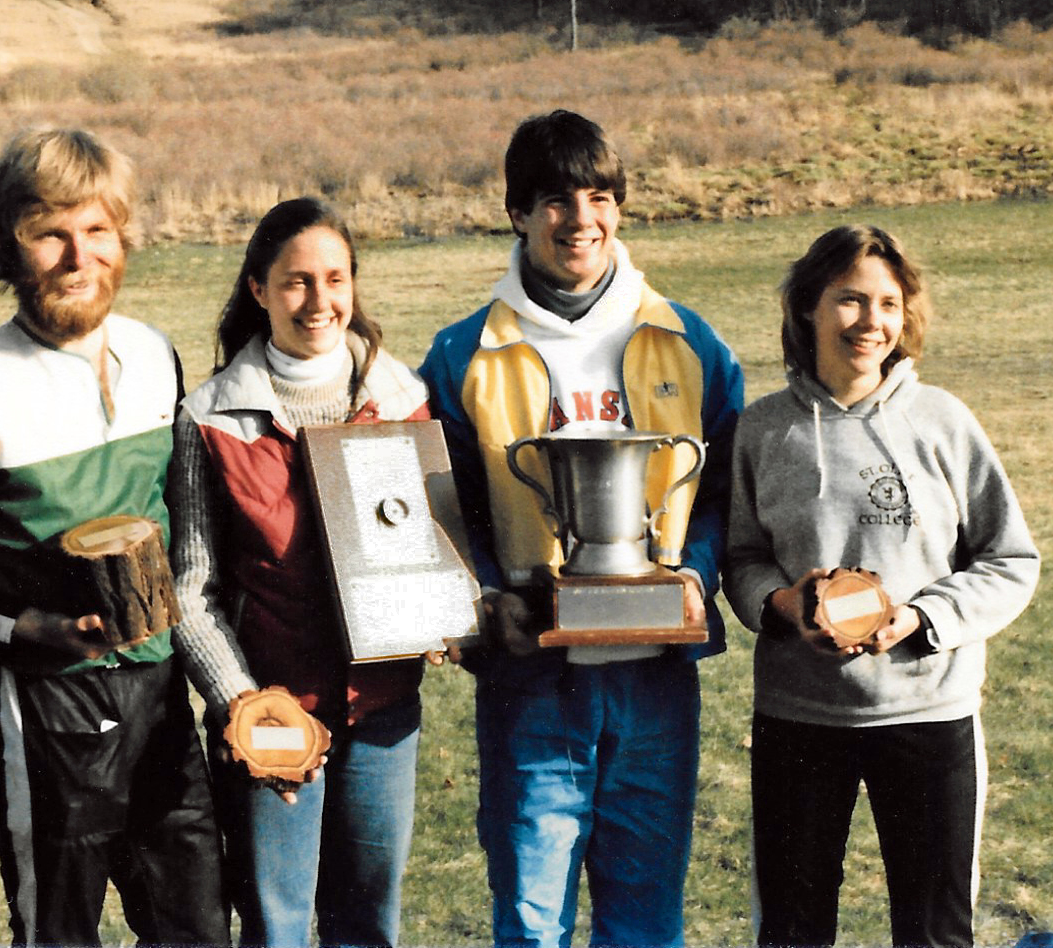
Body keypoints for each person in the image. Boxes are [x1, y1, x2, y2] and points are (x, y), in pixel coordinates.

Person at [0, 127, 228, 947]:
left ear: (124, 237)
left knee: (199, 932)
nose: (79, 255)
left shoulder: (154, 356)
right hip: (46, 712)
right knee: (59, 935)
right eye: (50, 232)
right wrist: (23, 628)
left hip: (160, 705)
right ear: (10, 244)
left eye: (97, 230)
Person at [418, 109, 744, 948]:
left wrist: (695, 576)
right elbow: (439, 511)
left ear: (621, 209)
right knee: (531, 920)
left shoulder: (689, 339)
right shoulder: (463, 354)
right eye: (557, 200)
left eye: (599, 197)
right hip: (534, 681)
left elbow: (727, 490)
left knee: (646, 918)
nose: (580, 219)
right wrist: (490, 599)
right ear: (518, 212)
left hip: (655, 679)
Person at [726, 224, 1039, 948]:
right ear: (808, 307)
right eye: (849, 300)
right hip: (799, 717)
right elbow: (742, 555)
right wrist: (779, 604)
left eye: (889, 304)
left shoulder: (944, 422)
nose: (871, 322)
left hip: (929, 713)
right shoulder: (766, 429)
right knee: (794, 932)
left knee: (933, 934)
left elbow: (1011, 559)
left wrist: (926, 618)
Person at [168, 196, 432, 947]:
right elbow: (192, 588)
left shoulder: (401, 399)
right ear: (257, 289)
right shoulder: (212, 418)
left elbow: (425, 551)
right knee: (277, 925)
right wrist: (241, 704)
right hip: (272, 713)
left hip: (381, 711)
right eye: (296, 282)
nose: (320, 301)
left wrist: (443, 620)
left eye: (336, 279)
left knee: (368, 923)